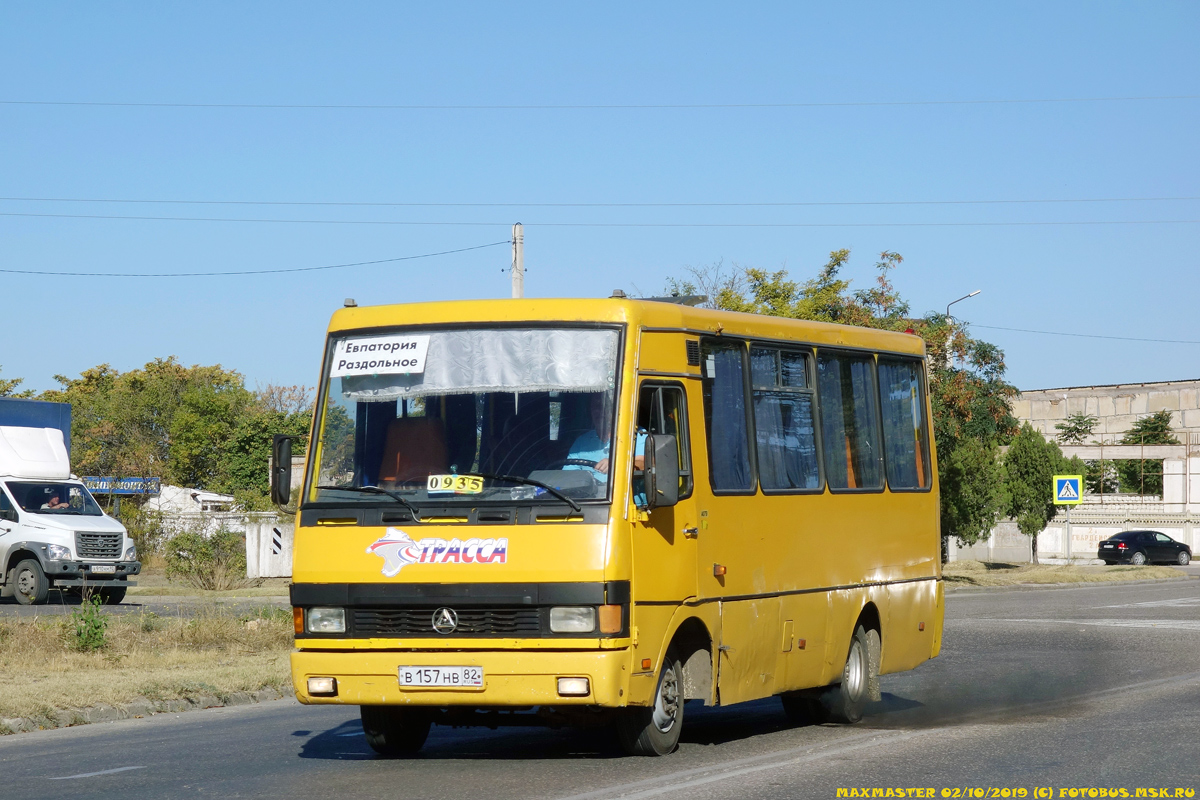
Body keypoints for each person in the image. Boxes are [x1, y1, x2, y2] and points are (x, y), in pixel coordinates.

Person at [565, 393, 645, 484]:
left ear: (617, 409)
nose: (599, 411)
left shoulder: (637, 434)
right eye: (596, 406)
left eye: (605, 406)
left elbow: (644, 465)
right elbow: (569, 476)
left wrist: (616, 465)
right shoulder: (581, 441)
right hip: (589, 497)